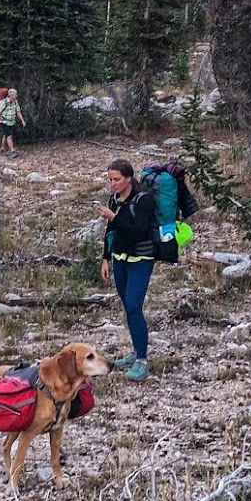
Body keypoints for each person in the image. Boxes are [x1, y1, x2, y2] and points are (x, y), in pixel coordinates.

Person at [97, 158, 156, 381]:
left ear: (129, 178)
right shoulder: (114, 199)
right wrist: (105, 258)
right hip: (120, 257)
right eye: (110, 179)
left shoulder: (144, 200)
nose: (112, 184)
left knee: (133, 304)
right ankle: (135, 352)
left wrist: (114, 217)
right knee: (128, 306)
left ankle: (142, 360)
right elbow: (111, 231)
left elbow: (138, 231)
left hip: (141, 257)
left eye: (117, 179)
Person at [0, 86, 27, 157]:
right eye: (15, 95)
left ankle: (2, 149)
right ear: (11, 95)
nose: (16, 96)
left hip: (11, 122)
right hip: (4, 122)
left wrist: (22, 120)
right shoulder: (3, 102)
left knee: (5, 135)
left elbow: (18, 111)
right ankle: (12, 151)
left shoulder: (15, 102)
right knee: (9, 136)